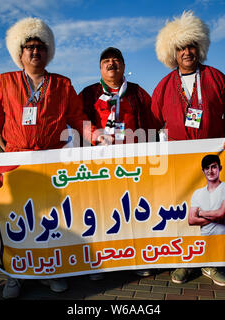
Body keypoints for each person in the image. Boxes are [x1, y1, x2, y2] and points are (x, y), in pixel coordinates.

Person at [0, 17, 111, 299]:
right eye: (29, 47)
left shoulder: (62, 84)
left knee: (50, 221)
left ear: (48, 51)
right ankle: (14, 276)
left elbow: (78, 118)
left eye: (40, 47)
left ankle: (52, 272)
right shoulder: (5, 82)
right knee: (12, 221)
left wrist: (97, 135)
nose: (35, 52)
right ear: (20, 53)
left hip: (51, 162)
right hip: (15, 163)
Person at [151, 11, 225, 287]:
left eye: (191, 46)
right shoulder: (164, 85)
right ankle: (184, 261)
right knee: (182, 212)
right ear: (173, 52)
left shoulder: (216, 78)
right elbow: (150, 120)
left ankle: (212, 264)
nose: (187, 52)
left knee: (213, 213)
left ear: (199, 47)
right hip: (179, 164)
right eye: (181, 48)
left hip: (212, 161)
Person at [79, 47, 157, 279]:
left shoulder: (137, 92)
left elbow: (152, 120)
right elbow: (77, 119)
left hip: (132, 164)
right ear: (100, 68)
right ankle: (99, 262)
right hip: (99, 164)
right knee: (101, 211)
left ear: (123, 66)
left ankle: (136, 259)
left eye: (116, 60)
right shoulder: (87, 93)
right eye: (107, 62)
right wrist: (93, 136)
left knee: (132, 210)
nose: (112, 64)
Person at [189, 155, 225, 238]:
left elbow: (221, 214)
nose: (210, 171)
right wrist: (215, 215)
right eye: (207, 168)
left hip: (224, 239)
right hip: (205, 241)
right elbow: (191, 220)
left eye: (213, 167)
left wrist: (200, 213)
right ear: (203, 171)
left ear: (220, 168)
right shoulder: (197, 193)